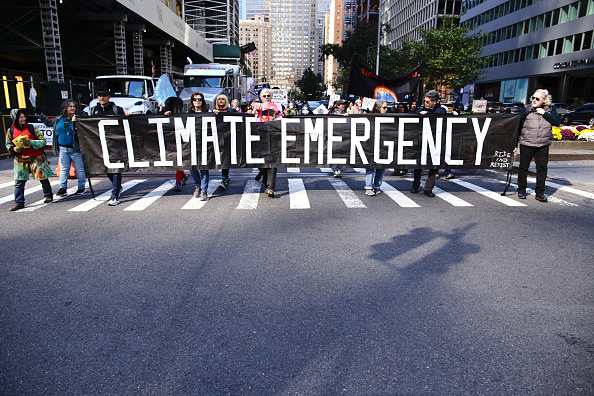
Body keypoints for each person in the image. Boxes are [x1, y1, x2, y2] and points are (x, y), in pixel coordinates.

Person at [516, 89, 561, 202]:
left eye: (537, 99)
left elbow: (557, 122)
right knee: (523, 168)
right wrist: (515, 143)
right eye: (533, 98)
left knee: (542, 168)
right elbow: (518, 125)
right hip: (527, 142)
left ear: (544, 100)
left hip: (543, 144)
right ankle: (521, 190)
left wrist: (544, 113)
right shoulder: (526, 108)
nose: (534, 100)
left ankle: (540, 192)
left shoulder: (551, 109)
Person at [5, 109, 54, 211]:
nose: (23, 119)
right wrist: (14, 149)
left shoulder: (32, 127)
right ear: (15, 119)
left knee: (43, 178)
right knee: (19, 182)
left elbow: (43, 141)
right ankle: (19, 203)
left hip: (36, 157)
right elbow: (8, 144)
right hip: (20, 159)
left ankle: (48, 195)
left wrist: (31, 143)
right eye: (20, 117)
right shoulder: (11, 131)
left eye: (24, 117)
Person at [88, 86, 130, 206]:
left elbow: (125, 121)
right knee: (106, 168)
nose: (102, 98)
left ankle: (115, 195)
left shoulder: (117, 109)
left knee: (115, 168)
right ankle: (117, 187)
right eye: (100, 96)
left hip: (115, 144)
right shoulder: (93, 110)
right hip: (100, 144)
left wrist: (127, 115)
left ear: (109, 97)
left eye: (104, 95)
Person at [38, 99, 86, 197]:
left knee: (79, 169)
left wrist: (75, 123)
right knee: (64, 169)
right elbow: (48, 123)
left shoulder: (79, 118)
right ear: (65, 108)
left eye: (74, 106)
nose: (72, 108)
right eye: (70, 106)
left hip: (75, 149)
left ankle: (81, 187)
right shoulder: (59, 119)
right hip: (63, 149)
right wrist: (40, 114)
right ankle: (63, 188)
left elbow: (80, 132)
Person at [411, 90, 445, 197]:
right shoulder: (421, 110)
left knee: (434, 165)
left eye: (428, 102)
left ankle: (428, 188)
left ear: (435, 102)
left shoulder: (441, 111)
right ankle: (415, 185)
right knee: (418, 164)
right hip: (422, 141)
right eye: (425, 101)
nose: (426, 104)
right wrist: (419, 115)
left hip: (435, 142)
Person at [253, 88, 282, 197]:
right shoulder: (255, 107)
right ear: (260, 97)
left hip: (273, 138)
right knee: (262, 162)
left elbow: (283, 117)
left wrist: (286, 112)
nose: (266, 98)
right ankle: (264, 178)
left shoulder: (277, 107)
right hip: (259, 138)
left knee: (272, 162)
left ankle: (270, 187)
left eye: (268, 96)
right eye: (264, 96)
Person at [160, 96, 188, 191]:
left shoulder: (182, 116)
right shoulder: (166, 114)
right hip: (173, 140)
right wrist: (161, 112)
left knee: (179, 162)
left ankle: (178, 181)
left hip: (177, 141)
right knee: (177, 162)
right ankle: (182, 176)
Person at [188, 92, 210, 201]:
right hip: (192, 143)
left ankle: (204, 190)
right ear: (192, 101)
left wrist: (217, 114)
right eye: (195, 99)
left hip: (205, 143)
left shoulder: (207, 112)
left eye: (199, 99)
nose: (197, 101)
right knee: (193, 167)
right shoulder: (188, 113)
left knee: (204, 167)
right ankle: (198, 185)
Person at [212, 94, 236, 189]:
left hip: (228, 137)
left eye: (223, 99)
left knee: (225, 157)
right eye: (219, 99)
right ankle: (225, 176)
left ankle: (225, 177)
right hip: (217, 137)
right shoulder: (213, 111)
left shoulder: (231, 111)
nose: (221, 101)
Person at [364, 101, 388, 196]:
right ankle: (369, 187)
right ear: (378, 108)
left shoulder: (389, 117)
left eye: (386, 108)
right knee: (370, 166)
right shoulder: (370, 117)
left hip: (383, 145)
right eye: (384, 108)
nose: (386, 110)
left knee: (381, 166)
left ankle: (377, 186)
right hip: (371, 145)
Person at [332, 100, 347, 177]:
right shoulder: (333, 114)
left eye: (344, 104)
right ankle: (336, 169)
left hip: (343, 136)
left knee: (341, 154)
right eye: (341, 104)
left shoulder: (347, 114)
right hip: (334, 136)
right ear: (337, 106)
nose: (343, 106)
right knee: (335, 153)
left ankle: (338, 168)